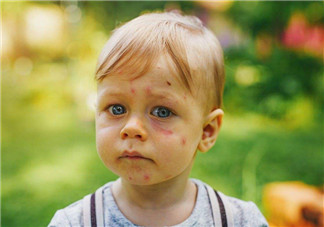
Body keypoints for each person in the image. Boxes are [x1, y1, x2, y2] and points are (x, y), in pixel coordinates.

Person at [49, 11, 268, 227]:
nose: (132, 128)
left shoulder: (238, 221)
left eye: (162, 112)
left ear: (206, 131)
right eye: (116, 108)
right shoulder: (75, 222)